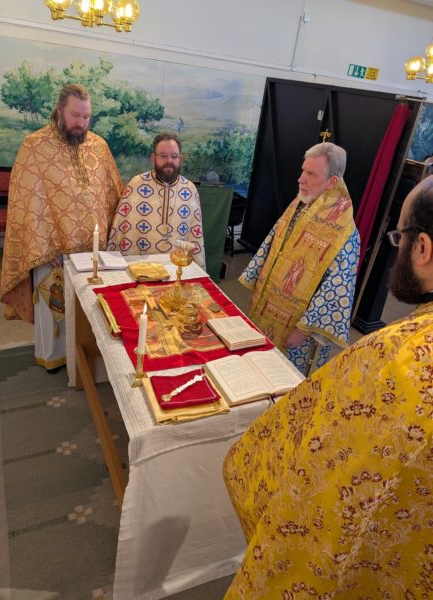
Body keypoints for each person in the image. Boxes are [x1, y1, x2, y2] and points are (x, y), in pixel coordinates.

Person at [223, 176, 433, 599]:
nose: (301, 179)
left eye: (400, 238)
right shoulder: (297, 210)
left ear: (423, 248)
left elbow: (321, 464)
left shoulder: (396, 358)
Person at [0, 83, 123, 372]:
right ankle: (54, 359)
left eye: (86, 116)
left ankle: (85, 359)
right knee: (54, 307)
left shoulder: (99, 146)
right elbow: (26, 201)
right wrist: (44, 248)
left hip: (92, 251)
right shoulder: (35, 145)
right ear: (59, 111)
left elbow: (112, 194)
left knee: (90, 308)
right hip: (52, 252)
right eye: (75, 115)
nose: (81, 123)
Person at [240, 142, 360, 374]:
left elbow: (338, 288)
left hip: (297, 330)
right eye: (303, 170)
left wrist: (304, 330)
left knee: (282, 377)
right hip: (266, 305)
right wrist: (257, 283)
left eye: (311, 174)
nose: (301, 179)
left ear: (332, 182)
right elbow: (272, 244)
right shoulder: (301, 205)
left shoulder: (345, 232)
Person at [107, 132, 206, 269]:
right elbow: (121, 232)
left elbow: (195, 235)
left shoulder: (190, 190)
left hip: (177, 267)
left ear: (180, 159)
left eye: (174, 156)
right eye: (163, 156)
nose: (169, 161)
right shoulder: (136, 185)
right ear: (153, 158)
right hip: (140, 266)